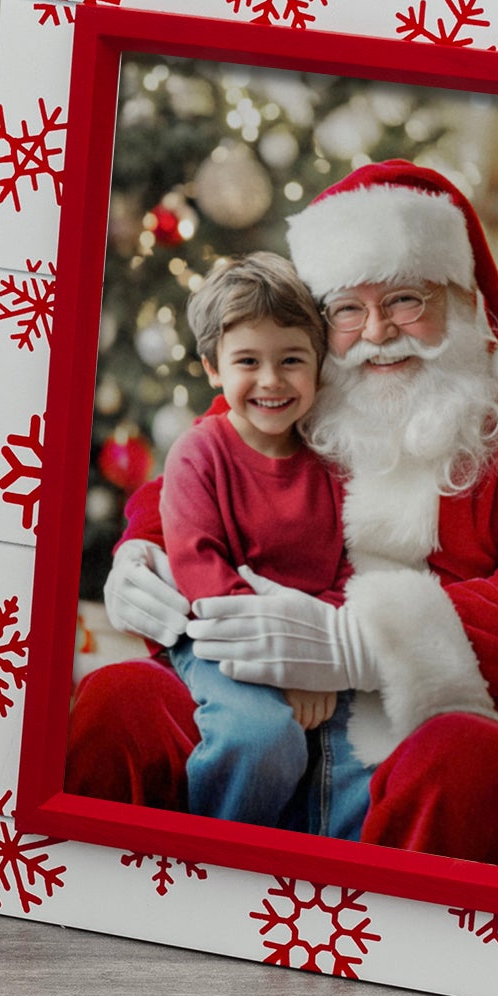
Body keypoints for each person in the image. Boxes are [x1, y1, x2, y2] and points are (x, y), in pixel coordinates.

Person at [73, 160, 498, 879]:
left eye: (405, 298)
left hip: (470, 728)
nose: (376, 332)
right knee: (122, 703)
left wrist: (360, 644)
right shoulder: (302, 399)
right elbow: (191, 480)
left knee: (466, 768)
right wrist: (141, 556)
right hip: (275, 715)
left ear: (466, 301)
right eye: (346, 308)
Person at [161, 255, 346, 826]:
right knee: (262, 738)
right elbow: (200, 570)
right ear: (214, 369)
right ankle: (211, 865)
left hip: (315, 644)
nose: (271, 380)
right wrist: (282, 667)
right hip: (220, 638)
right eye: (248, 361)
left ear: (319, 367)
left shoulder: (334, 465)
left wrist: (318, 659)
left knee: (365, 748)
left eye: (292, 360)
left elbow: (353, 569)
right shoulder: (199, 452)